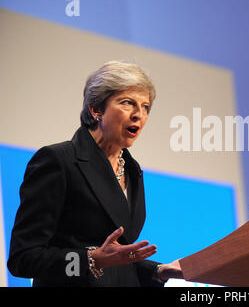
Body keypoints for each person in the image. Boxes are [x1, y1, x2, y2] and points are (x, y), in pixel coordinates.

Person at [8, 60, 183, 286]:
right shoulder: (58, 161)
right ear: (96, 109)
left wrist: (159, 271)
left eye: (145, 107)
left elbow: (116, 261)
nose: (139, 114)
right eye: (128, 103)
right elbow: (24, 259)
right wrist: (89, 260)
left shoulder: (132, 170)